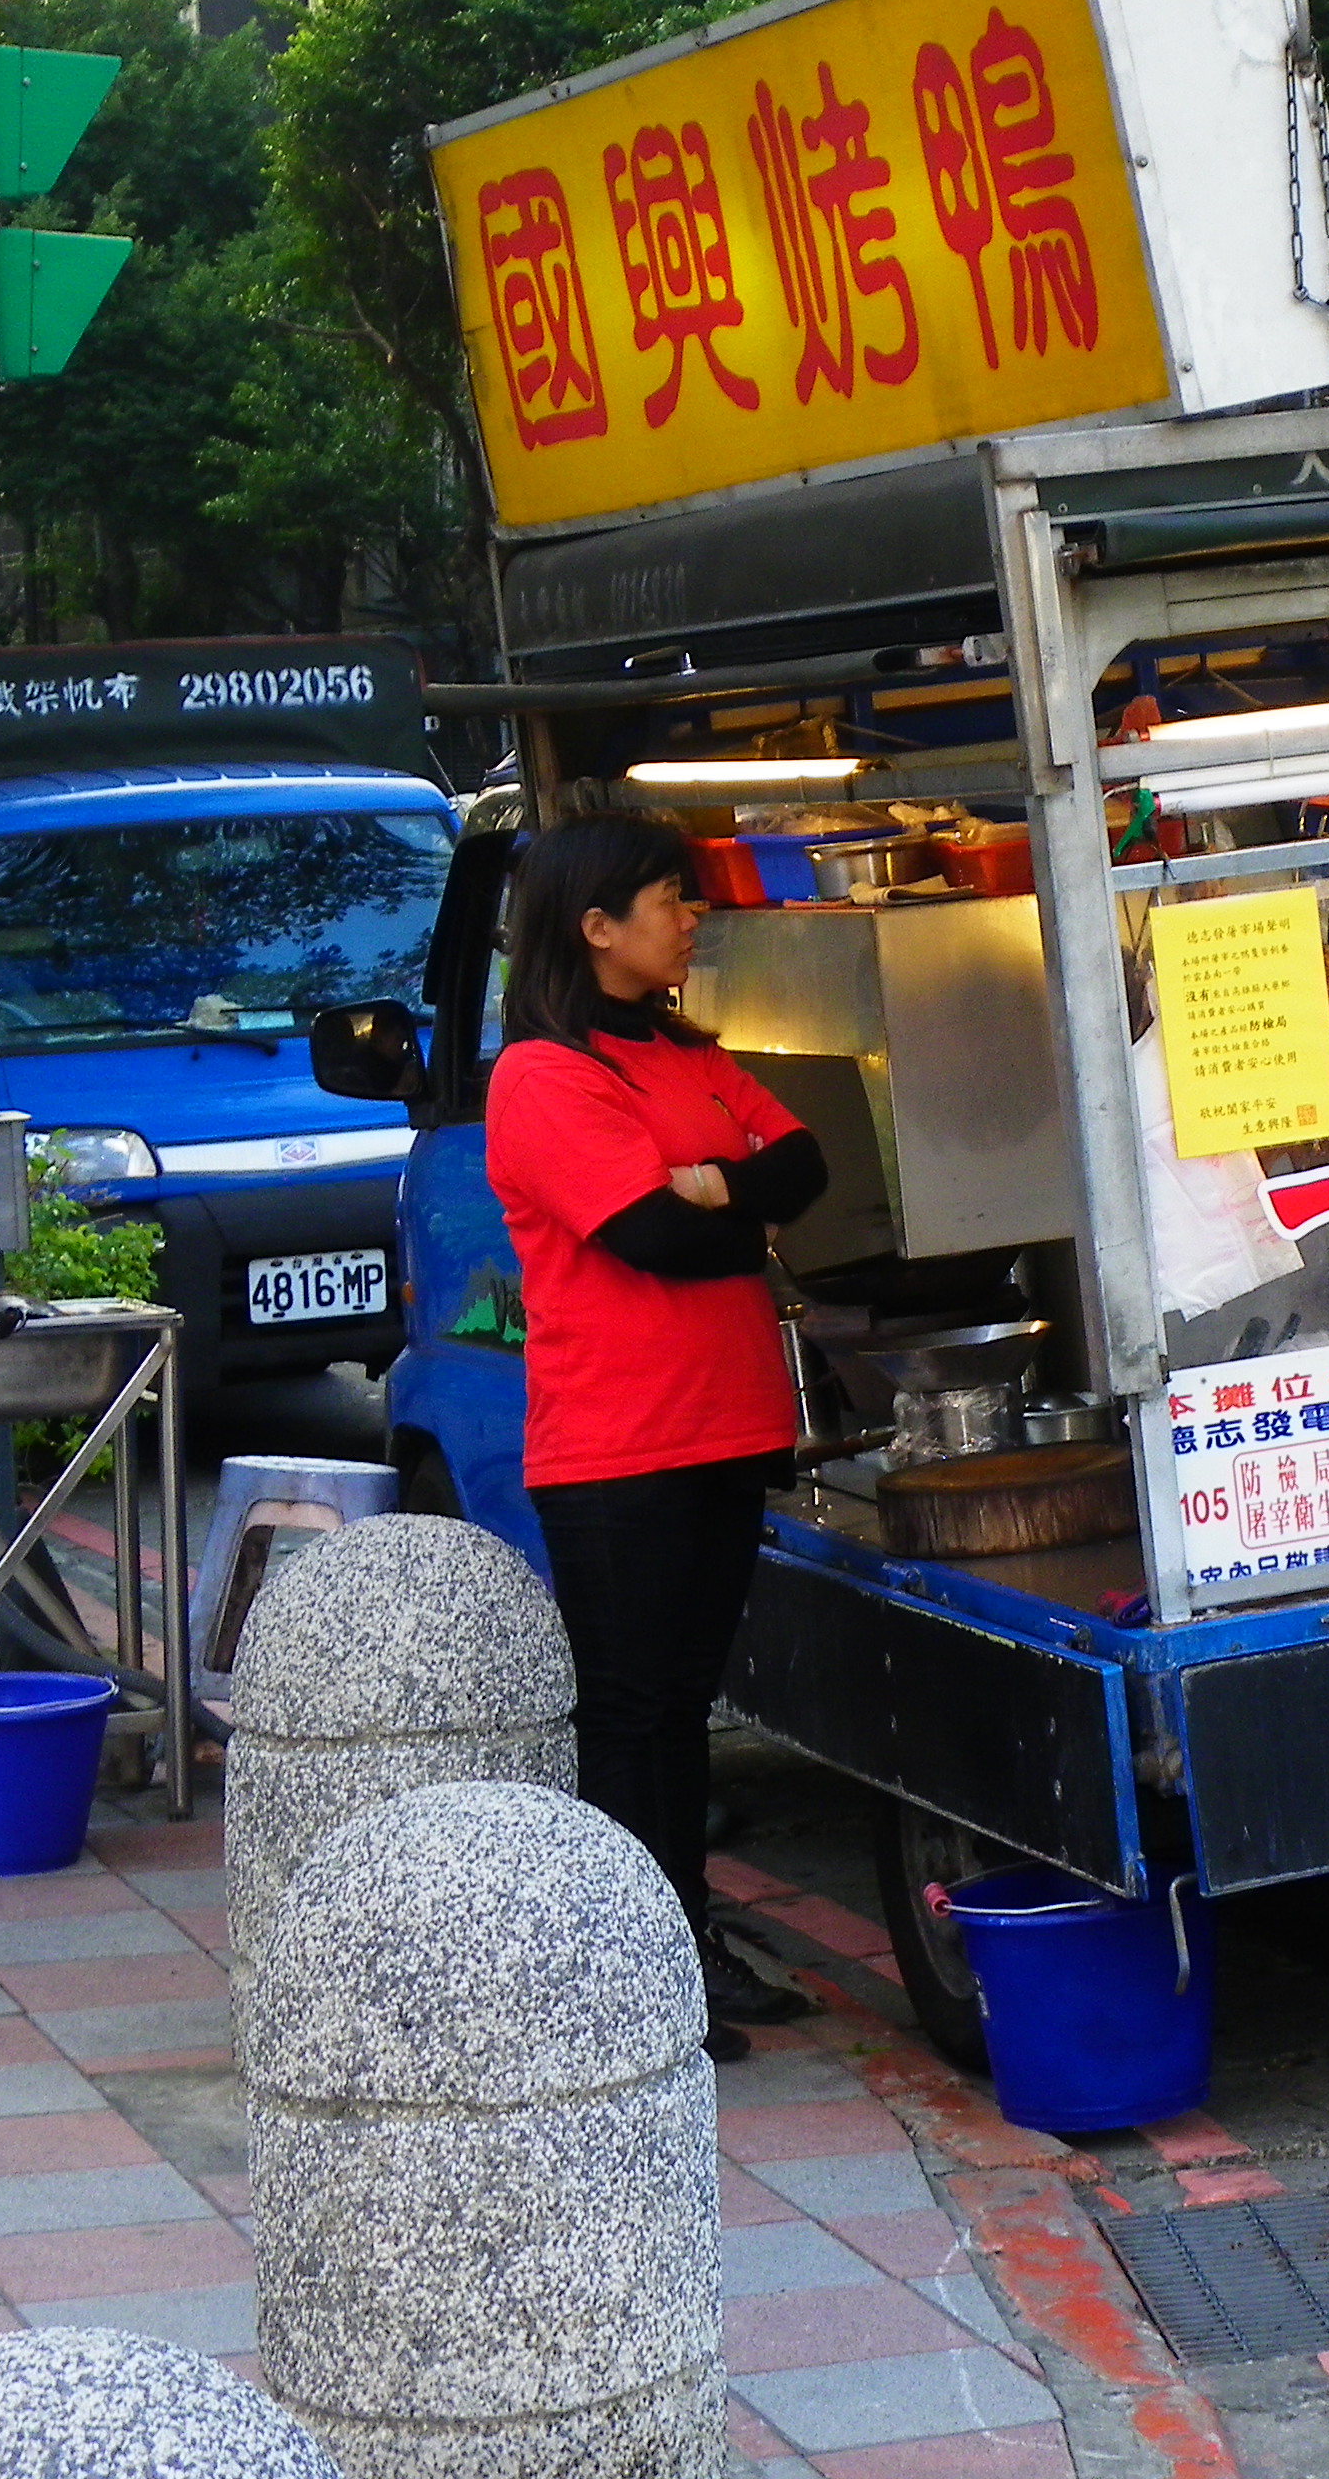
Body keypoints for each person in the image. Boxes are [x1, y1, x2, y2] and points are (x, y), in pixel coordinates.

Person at [484, 810, 828, 2056]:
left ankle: (682, 1947)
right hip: (617, 1448)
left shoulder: (687, 1054)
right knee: (632, 1715)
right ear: (595, 929)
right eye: (669, 901)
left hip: (727, 1425)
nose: (690, 919)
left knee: (684, 1707)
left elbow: (807, 1163)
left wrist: (721, 1189)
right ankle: (633, 1975)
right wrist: (728, 1208)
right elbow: (650, 1238)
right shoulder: (543, 1076)